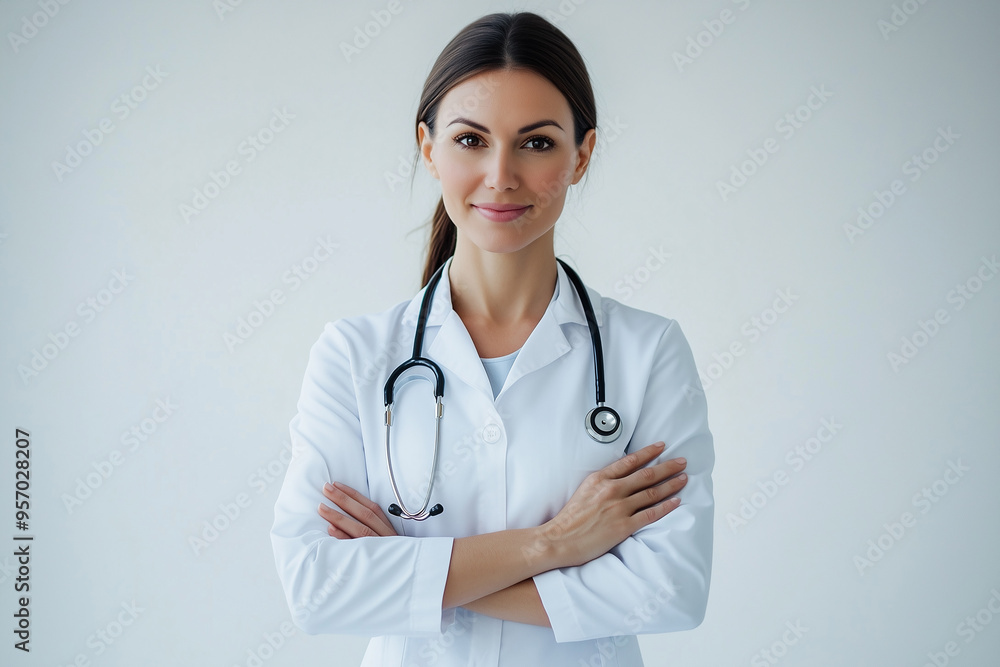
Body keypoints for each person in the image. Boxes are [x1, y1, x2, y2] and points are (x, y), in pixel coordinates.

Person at [269, 11, 714, 666]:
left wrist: (407, 568)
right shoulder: (355, 354)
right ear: (428, 148)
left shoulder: (647, 353)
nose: (501, 174)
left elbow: (671, 588)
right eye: (470, 140)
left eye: (536, 143)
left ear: (582, 154)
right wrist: (558, 543)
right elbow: (318, 588)